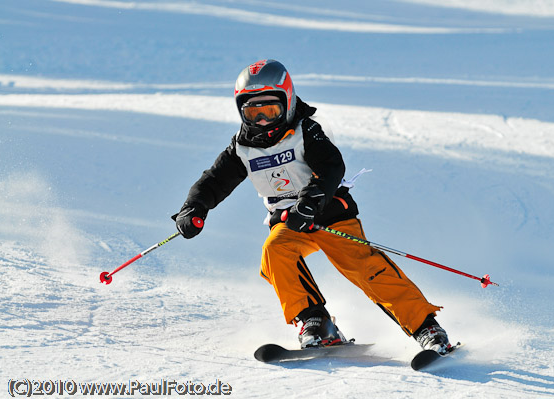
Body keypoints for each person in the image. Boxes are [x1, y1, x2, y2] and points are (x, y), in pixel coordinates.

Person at [174, 59, 451, 353]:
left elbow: (332, 166)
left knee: (363, 266)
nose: (264, 122)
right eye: (254, 113)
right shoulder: (242, 147)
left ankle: (426, 327)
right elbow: (213, 181)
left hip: (330, 214)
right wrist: (194, 208)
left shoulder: (307, 131)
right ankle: (316, 321)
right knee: (275, 252)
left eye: (271, 111)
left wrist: (311, 201)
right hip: (289, 222)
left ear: (289, 101)